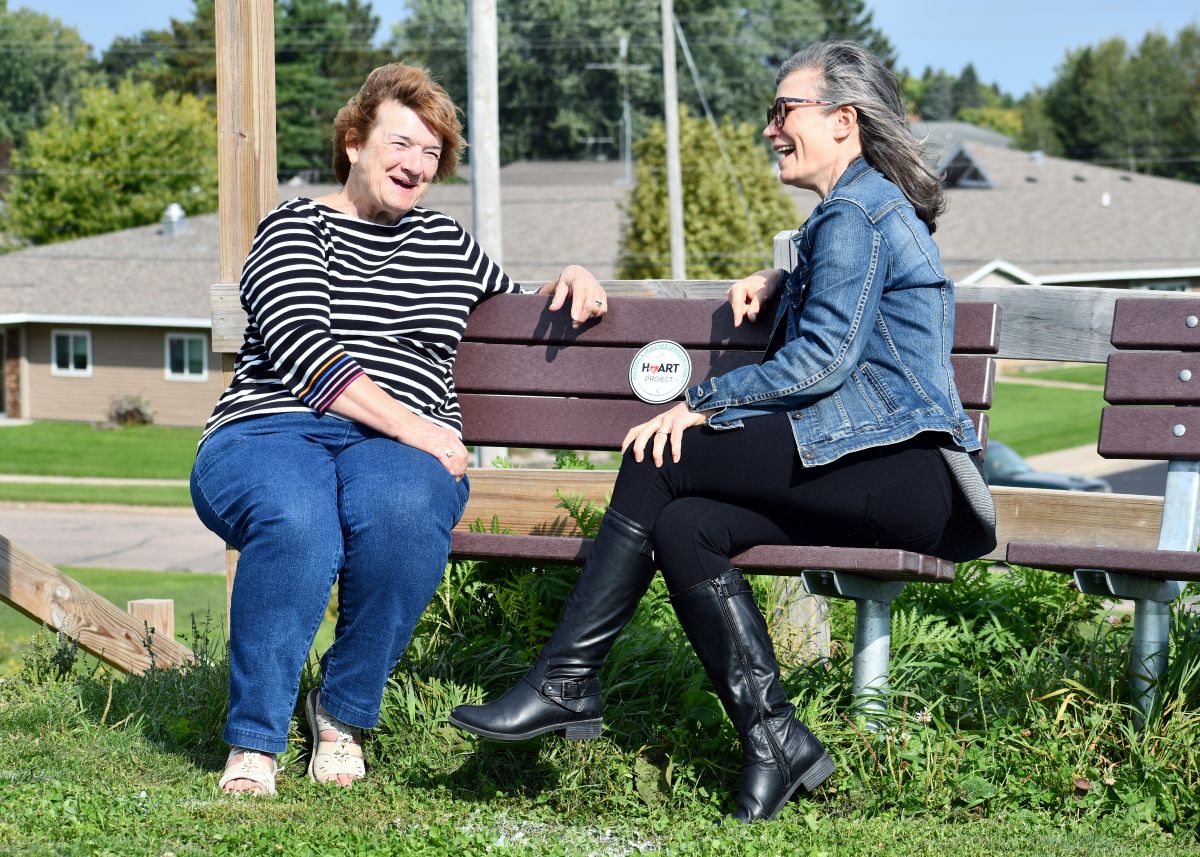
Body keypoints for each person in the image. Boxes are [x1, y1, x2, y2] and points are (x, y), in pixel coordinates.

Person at [449, 40, 996, 823]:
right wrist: (787, 278)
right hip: (872, 464)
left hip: (902, 468)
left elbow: (823, 363)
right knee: (685, 524)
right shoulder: (853, 214)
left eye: (784, 110)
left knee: (660, 454)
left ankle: (566, 677)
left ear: (844, 121)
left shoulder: (858, 212)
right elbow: (850, 315)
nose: (770, 128)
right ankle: (775, 739)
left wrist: (700, 400)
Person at [192, 63, 608, 796]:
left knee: (405, 512)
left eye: (431, 154)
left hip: (393, 451)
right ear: (353, 141)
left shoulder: (447, 243)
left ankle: (341, 712)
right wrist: (417, 426)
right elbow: (300, 345)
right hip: (271, 430)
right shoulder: (296, 224)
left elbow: (518, 304)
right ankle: (255, 737)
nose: (416, 165)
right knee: (297, 519)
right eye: (401, 143)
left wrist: (568, 277)